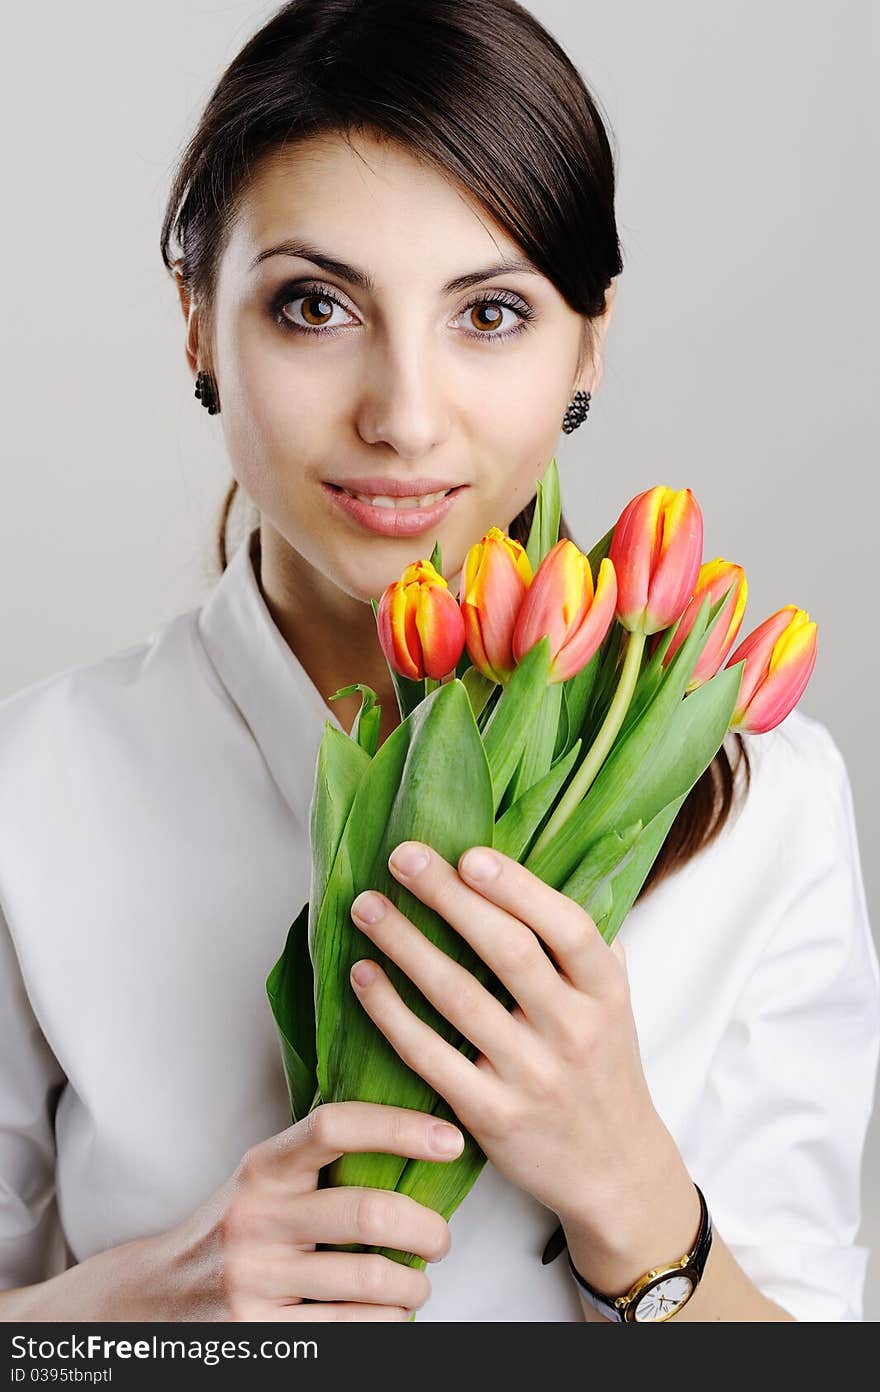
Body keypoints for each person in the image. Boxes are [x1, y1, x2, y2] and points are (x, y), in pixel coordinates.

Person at [0, 0, 877, 1324]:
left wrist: (635, 1199)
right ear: (196, 322)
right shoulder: (35, 786)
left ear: (589, 338)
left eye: (492, 313)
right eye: (314, 305)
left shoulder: (770, 807)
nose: (403, 417)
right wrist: (148, 1309)